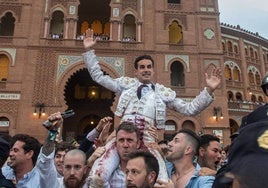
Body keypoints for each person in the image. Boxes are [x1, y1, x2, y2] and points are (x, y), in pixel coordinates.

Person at [83, 28, 222, 184]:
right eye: (142, 67)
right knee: (97, 177)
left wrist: (209, 89)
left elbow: (189, 109)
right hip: (121, 141)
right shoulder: (125, 85)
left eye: (149, 67)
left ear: (153, 70)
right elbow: (98, 77)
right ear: (136, 71)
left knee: (161, 181)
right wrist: (89, 50)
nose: (146, 70)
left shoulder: (162, 93)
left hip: (148, 143)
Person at [37, 112, 107, 188]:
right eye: (68, 167)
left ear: (85, 169)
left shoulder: (93, 185)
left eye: (77, 167)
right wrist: (52, 131)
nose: (72, 173)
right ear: (63, 168)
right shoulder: (54, 184)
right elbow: (45, 161)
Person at [87, 121, 141, 187]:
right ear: (116, 143)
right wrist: (89, 163)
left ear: (138, 144)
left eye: (129, 140)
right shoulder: (104, 171)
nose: (125, 145)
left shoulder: (145, 173)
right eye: (121, 140)